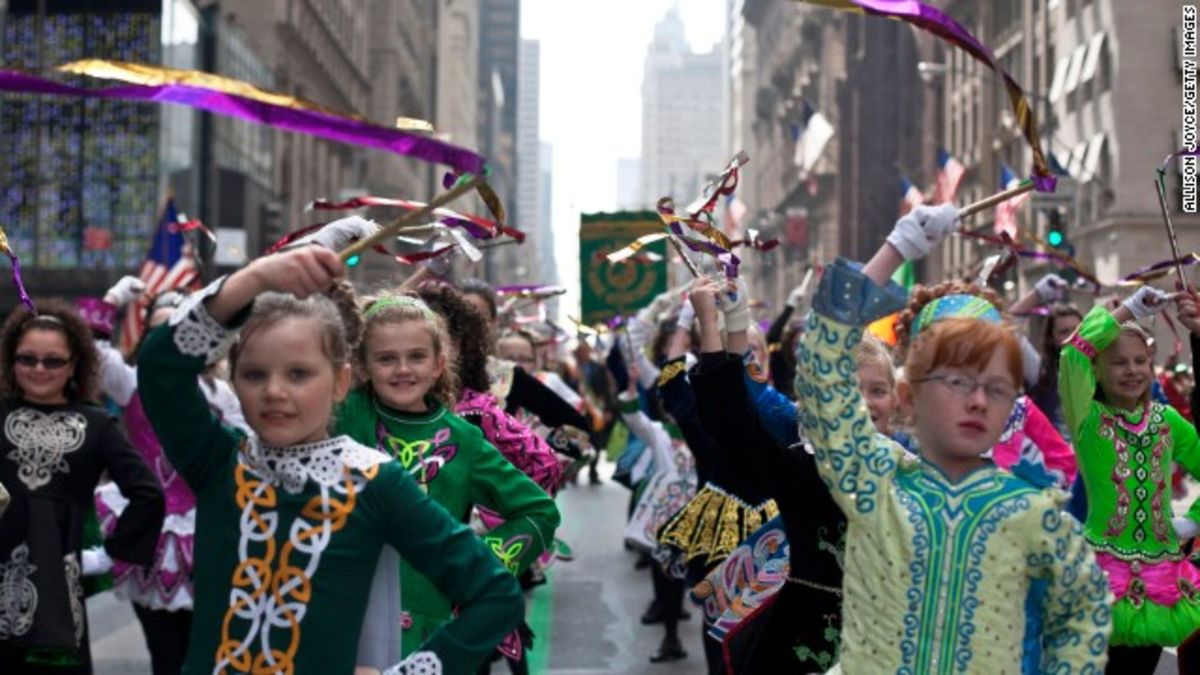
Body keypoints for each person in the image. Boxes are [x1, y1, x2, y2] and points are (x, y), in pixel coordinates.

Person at [136, 245, 525, 674]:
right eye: (254, 374)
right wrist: (255, 278)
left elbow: (496, 595)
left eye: (298, 374)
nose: (274, 392)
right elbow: (159, 366)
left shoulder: (373, 482)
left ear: (341, 382)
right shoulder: (217, 461)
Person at [798, 204, 1111, 672]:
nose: (979, 400)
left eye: (997, 387)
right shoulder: (875, 482)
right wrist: (896, 248)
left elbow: (1084, 613)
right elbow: (823, 374)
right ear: (908, 395)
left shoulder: (1030, 510)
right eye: (958, 381)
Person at [335, 290, 560, 665]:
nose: (403, 369)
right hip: (345, 615)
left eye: (417, 357)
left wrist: (474, 566)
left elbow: (539, 512)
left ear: (439, 364)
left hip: (429, 633)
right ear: (362, 366)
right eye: (386, 358)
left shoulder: (463, 439)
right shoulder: (345, 414)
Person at [84, 278, 248, 675]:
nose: (169, 340)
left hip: (206, 529)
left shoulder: (221, 394)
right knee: (164, 654)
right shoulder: (134, 382)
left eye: (176, 328)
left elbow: (250, 446)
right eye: (159, 331)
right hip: (151, 533)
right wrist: (112, 299)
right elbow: (90, 352)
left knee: (205, 649)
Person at [0, 300, 164, 673]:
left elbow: (148, 494)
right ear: (12, 360)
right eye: (27, 359)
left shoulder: (96, 424)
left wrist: (107, 556)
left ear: (73, 364)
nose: (39, 369)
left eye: (53, 360)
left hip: (59, 584)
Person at [1059, 284, 1200, 673]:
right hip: (1100, 577)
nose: (1133, 370)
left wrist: (1193, 520)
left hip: (1159, 581)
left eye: (1141, 361)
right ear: (1098, 370)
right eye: (1119, 362)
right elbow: (1073, 352)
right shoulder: (1088, 420)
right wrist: (1128, 310)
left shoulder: (1167, 421)